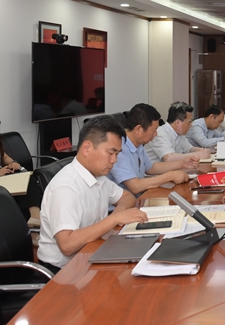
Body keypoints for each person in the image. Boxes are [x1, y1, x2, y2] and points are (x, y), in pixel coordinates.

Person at [37, 115, 148, 272]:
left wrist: (119, 213)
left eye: (117, 154)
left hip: (92, 252)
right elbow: (67, 245)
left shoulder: (97, 176)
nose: (114, 160)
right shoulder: (66, 188)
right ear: (87, 148)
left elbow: (127, 197)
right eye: (111, 153)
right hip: (62, 272)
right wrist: (114, 219)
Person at [107, 104, 193, 197]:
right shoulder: (118, 148)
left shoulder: (138, 144)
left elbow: (151, 168)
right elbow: (135, 186)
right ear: (138, 129)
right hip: (124, 203)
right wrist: (170, 176)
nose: (156, 134)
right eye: (154, 130)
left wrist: (182, 163)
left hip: (140, 197)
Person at [145, 101, 211, 163]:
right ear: (178, 123)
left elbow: (189, 149)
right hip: (155, 171)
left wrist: (199, 150)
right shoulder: (160, 133)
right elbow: (169, 158)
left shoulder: (180, 134)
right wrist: (197, 155)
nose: (191, 125)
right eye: (189, 122)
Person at [0, 137, 42, 226]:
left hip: (4, 177)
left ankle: (34, 216)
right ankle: (35, 219)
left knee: (29, 178)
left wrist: (13, 163)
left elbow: (4, 156)